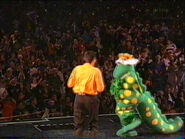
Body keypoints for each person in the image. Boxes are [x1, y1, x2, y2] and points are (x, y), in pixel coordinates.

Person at [67, 51, 105, 137]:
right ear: (94, 60)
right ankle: (93, 134)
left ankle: (78, 134)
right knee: (93, 124)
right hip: (91, 99)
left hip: (79, 98)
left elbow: (70, 84)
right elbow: (101, 88)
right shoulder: (96, 71)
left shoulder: (77, 69)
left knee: (79, 125)